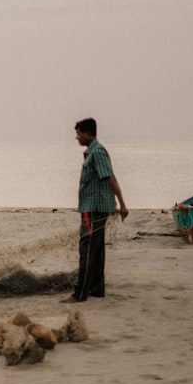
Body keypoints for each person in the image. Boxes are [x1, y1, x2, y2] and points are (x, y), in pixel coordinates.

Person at [62, 118, 129, 303]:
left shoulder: (97, 152)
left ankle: (80, 293)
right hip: (94, 208)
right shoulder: (93, 152)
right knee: (97, 249)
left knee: (88, 250)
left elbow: (111, 178)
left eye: (78, 133)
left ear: (88, 133)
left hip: (93, 209)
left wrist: (122, 205)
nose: (76, 137)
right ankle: (97, 289)